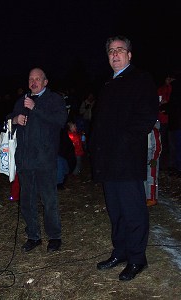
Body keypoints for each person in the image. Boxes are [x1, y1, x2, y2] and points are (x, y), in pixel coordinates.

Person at [89, 35, 158, 281]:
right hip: (108, 160)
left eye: (120, 50)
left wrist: (124, 141)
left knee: (133, 210)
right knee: (116, 210)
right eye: (111, 51)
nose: (115, 54)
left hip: (126, 158)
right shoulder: (108, 84)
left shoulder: (141, 79)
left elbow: (147, 116)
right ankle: (121, 252)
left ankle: (138, 258)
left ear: (129, 55)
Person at [10, 68, 67, 252]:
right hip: (25, 160)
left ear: (45, 82)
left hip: (45, 160)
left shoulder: (54, 99)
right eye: (30, 79)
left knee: (49, 200)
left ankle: (54, 237)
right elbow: (8, 121)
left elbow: (60, 121)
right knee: (27, 200)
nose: (33, 82)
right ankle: (33, 236)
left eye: (37, 79)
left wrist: (36, 109)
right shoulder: (22, 101)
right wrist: (15, 119)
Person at [157, 75, 175, 170]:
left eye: (171, 78)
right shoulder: (161, 89)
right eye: (167, 78)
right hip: (162, 120)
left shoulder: (174, 89)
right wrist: (160, 104)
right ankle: (162, 164)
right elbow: (156, 101)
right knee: (162, 142)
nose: (169, 80)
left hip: (172, 121)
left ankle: (171, 164)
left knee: (172, 144)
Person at [144, 120, 162, 206]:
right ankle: (145, 196)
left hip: (151, 156)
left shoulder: (153, 131)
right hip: (143, 155)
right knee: (144, 178)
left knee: (151, 177)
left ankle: (152, 198)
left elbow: (157, 146)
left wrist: (154, 158)